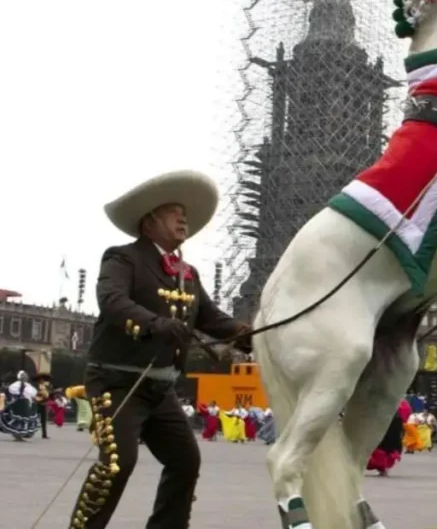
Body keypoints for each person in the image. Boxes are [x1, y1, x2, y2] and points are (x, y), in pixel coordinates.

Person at [66, 170, 252, 529]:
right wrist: (154, 324)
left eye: (183, 213)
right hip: (117, 382)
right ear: (149, 220)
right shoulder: (122, 258)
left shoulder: (188, 273)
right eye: (173, 211)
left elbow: (211, 319)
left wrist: (249, 334)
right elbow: (112, 300)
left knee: (185, 461)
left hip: (160, 388)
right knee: (117, 462)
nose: (184, 218)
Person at [0, 370, 41, 440]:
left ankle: (18, 435)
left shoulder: (16, 385)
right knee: (20, 421)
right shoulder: (27, 386)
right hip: (23, 405)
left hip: (19, 404)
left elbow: (11, 392)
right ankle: (18, 436)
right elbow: (33, 395)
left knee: (18, 421)